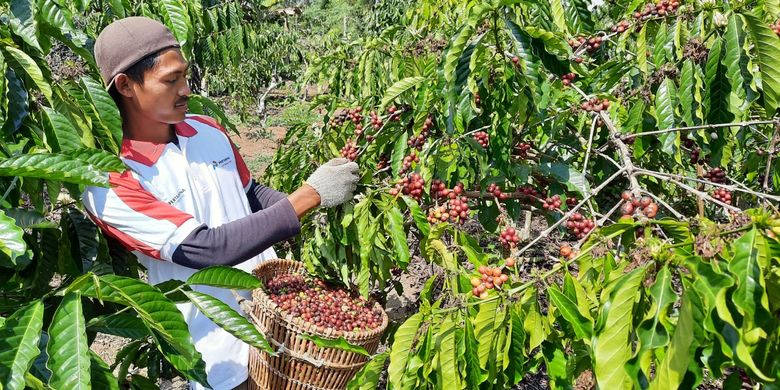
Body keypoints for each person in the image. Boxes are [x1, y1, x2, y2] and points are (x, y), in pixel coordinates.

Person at [82, 16, 360, 390]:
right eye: (170, 80)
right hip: (218, 344)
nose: (185, 89)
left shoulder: (206, 129)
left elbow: (248, 192)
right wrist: (308, 196)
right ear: (126, 86)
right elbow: (204, 247)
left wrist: (321, 209)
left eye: (184, 75)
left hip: (279, 318)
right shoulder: (111, 179)